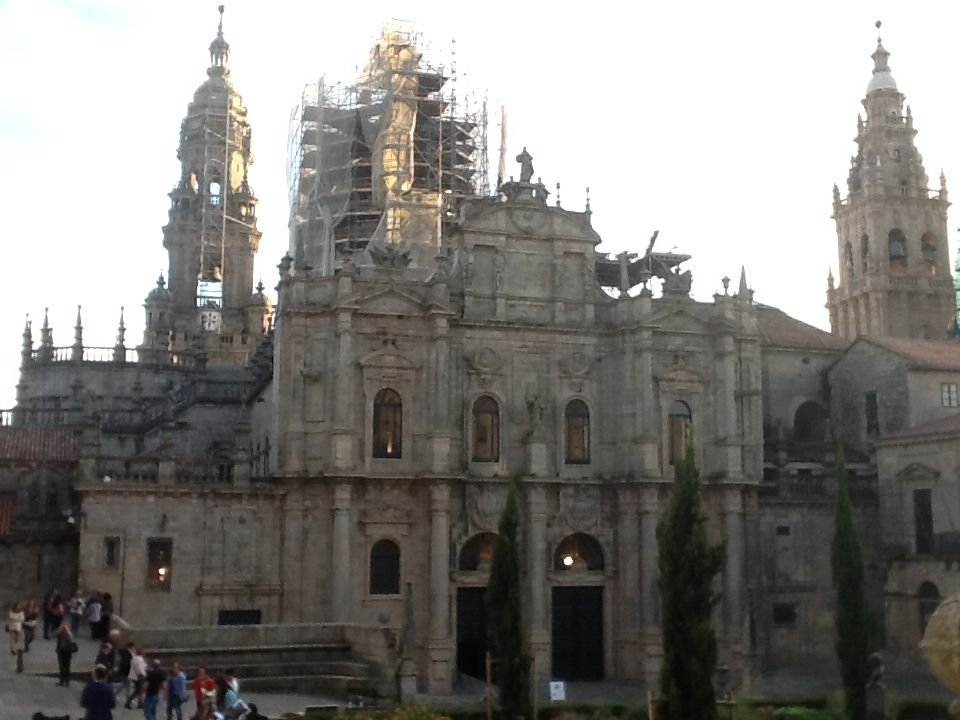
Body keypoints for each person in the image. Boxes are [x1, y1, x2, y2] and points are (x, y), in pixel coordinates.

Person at [55, 621, 77, 687]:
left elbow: (71, 641)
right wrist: (59, 629)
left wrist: (66, 631)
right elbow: (55, 635)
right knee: (62, 667)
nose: (64, 628)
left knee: (66, 667)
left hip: (66, 653)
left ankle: (66, 681)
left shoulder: (69, 634)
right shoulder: (60, 633)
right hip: (62, 652)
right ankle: (63, 681)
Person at [125, 645, 146, 710]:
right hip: (139, 676)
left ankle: (140, 703)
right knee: (138, 690)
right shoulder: (139, 659)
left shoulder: (134, 658)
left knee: (139, 690)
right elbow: (140, 668)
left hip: (134, 676)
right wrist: (143, 674)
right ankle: (128, 702)